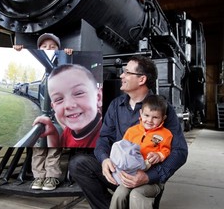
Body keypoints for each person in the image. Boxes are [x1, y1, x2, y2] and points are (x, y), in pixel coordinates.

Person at [68, 55, 188, 209]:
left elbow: (180, 151)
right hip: (118, 172)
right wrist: (104, 160)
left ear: (141, 79)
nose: (121, 75)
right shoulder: (115, 105)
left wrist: (148, 177)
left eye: (126, 72)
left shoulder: (163, 109)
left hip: (145, 178)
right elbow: (104, 138)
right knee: (79, 164)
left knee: (136, 196)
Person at [14, 33, 72, 191]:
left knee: (54, 148)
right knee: (38, 148)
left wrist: (69, 54)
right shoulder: (42, 72)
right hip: (44, 113)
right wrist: (17, 49)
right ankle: (39, 177)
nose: (48, 49)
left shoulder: (62, 66)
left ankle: (51, 177)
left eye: (53, 47)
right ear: (38, 49)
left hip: (56, 114)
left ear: (58, 50)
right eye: (44, 47)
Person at [109, 94, 173, 208]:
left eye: (155, 117)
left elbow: (166, 150)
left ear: (163, 118)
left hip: (152, 180)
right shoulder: (131, 131)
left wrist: (159, 155)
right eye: (146, 115)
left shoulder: (166, 134)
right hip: (130, 175)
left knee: (136, 194)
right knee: (119, 193)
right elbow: (122, 149)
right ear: (140, 114)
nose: (149, 120)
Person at [33, 64, 102, 148]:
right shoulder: (69, 130)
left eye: (79, 93)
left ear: (98, 98)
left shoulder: (106, 138)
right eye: (59, 99)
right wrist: (52, 133)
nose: (69, 105)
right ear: (53, 107)